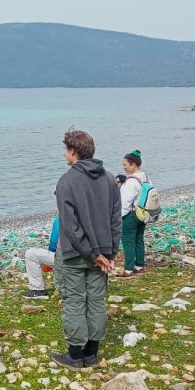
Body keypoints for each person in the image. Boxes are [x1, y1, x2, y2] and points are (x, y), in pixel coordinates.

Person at [51, 129, 121, 369]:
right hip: (102, 253)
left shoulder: (66, 181)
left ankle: (75, 355)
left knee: (74, 300)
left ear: (73, 151)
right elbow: (115, 220)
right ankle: (92, 352)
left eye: (65, 150)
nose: (63, 154)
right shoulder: (110, 179)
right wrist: (109, 253)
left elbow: (70, 226)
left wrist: (94, 254)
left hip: (75, 255)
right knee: (96, 301)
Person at [117, 150, 149, 279]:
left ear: (133, 164)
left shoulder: (130, 181)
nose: (124, 167)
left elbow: (125, 202)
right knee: (139, 238)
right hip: (142, 212)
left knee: (128, 241)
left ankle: (129, 269)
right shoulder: (145, 177)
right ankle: (139, 264)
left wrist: (119, 216)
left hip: (130, 214)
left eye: (125, 164)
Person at [22, 218, 60, 299]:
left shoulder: (61, 219)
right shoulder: (90, 215)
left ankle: (37, 291)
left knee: (30, 254)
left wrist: (47, 266)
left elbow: (53, 246)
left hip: (68, 260)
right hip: (90, 260)